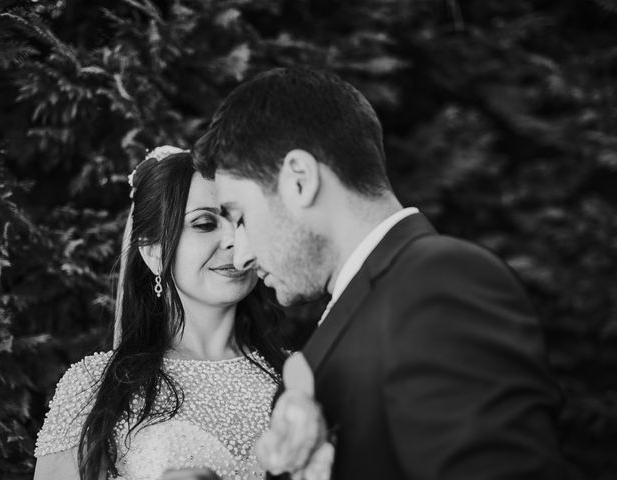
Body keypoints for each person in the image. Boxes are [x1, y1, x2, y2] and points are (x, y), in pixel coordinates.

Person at [194, 67, 572, 479]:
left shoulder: (438, 283)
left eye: (240, 216)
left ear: (299, 180)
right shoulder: (366, 309)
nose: (242, 255)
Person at [33, 146, 287, 480]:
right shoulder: (94, 386)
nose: (234, 241)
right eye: (205, 223)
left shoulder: (299, 375)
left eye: (242, 223)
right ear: (152, 249)